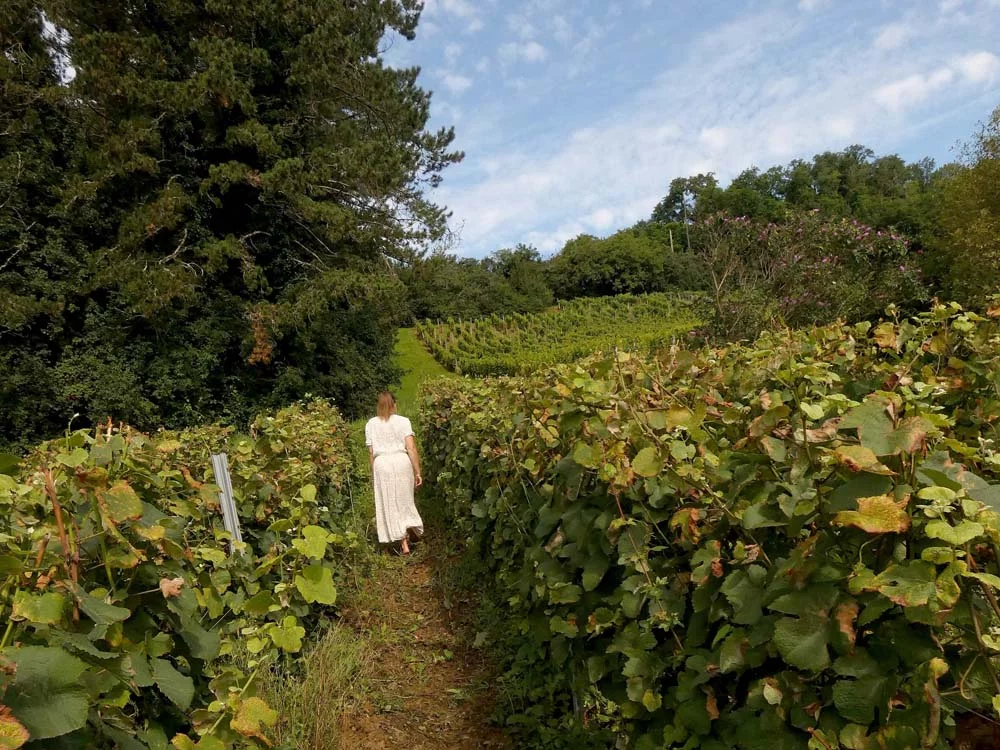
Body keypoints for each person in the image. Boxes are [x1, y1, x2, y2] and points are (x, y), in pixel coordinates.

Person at [365, 392, 424, 554]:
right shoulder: (403, 421)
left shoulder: (371, 424)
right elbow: (411, 448)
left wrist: (373, 473)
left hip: (382, 464)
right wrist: (417, 471)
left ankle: (402, 541)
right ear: (394, 405)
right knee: (405, 500)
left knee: (390, 502)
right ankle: (411, 528)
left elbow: (371, 453)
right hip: (401, 462)